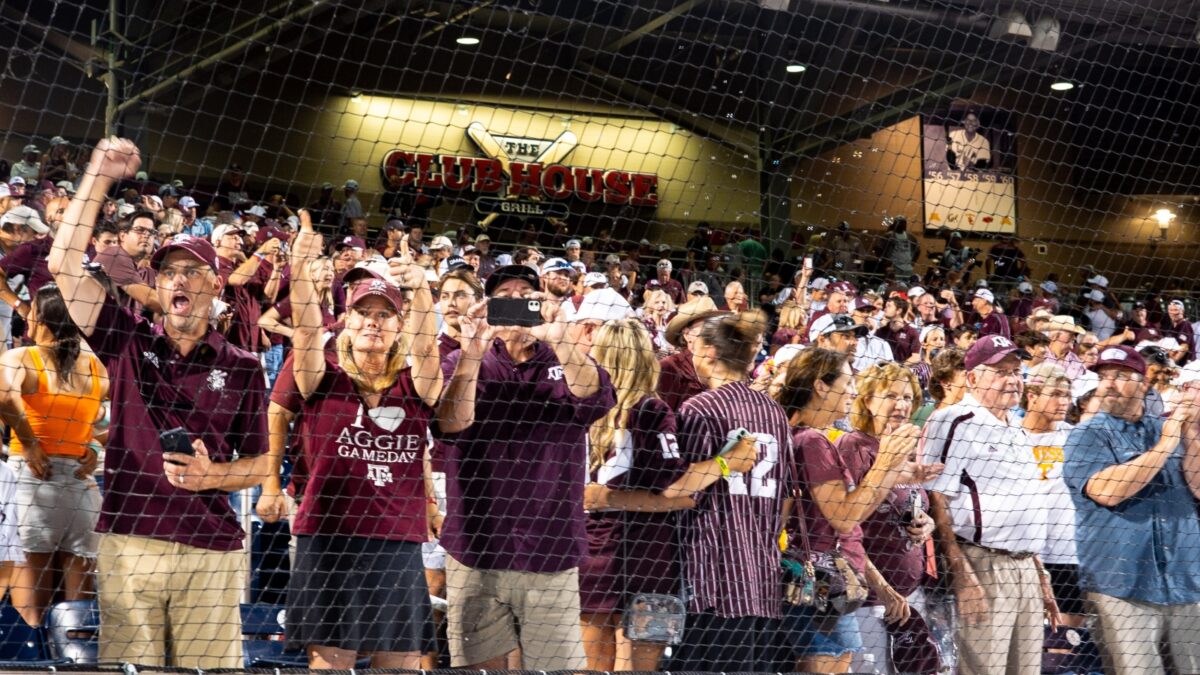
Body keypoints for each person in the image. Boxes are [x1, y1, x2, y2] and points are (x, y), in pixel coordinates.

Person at [47, 138, 270, 668]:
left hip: (210, 547)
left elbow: (262, 463)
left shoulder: (242, 365)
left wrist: (212, 476)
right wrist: (100, 175)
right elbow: (63, 264)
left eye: (192, 271)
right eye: (169, 272)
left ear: (216, 283)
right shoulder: (126, 340)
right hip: (130, 541)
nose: (178, 280)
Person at [434, 263, 616, 670]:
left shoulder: (567, 358)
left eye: (526, 297)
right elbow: (449, 424)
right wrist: (472, 353)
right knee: (478, 668)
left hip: (550, 547)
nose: (516, 303)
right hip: (476, 544)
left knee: (557, 669)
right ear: (488, 305)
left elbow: (595, 398)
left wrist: (561, 338)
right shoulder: (462, 359)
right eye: (505, 297)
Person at [285, 212, 440, 668]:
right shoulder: (323, 378)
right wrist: (299, 269)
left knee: (401, 665)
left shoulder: (415, 385)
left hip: (395, 541)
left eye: (384, 314)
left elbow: (427, 348)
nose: (373, 323)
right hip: (328, 537)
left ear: (399, 326)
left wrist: (421, 290)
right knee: (331, 664)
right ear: (345, 320)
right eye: (362, 313)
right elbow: (306, 331)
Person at [578, 318, 754, 672]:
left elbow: (585, 494)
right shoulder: (652, 410)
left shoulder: (579, 407)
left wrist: (602, 498)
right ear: (645, 358)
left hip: (590, 553)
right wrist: (727, 462)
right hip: (649, 557)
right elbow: (677, 489)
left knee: (589, 668)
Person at [777, 352, 925, 673]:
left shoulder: (813, 436)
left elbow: (856, 512)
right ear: (820, 386)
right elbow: (844, 518)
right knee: (830, 663)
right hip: (817, 580)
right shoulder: (812, 440)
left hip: (830, 583)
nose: (853, 392)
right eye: (847, 384)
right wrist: (885, 462)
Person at [924, 335, 1060, 675]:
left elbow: (1026, 506)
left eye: (1016, 372)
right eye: (1000, 372)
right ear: (972, 378)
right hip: (983, 565)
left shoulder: (1017, 428)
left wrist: (1040, 574)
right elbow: (936, 497)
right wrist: (961, 573)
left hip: (1026, 567)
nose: (1012, 380)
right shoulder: (953, 420)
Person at [666, 310, 792, 672]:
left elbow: (682, 490)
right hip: (761, 578)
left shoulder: (700, 408)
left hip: (712, 578)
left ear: (708, 351)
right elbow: (786, 495)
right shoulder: (774, 412)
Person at [1063, 346, 1200, 674]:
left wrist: (1189, 430)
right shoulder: (1086, 434)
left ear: (1144, 383)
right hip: (1122, 588)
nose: (1109, 384)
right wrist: (1166, 444)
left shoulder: (1168, 427)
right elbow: (1107, 491)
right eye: (1104, 377)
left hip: (1185, 582)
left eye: (1121, 376)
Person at [0, 285, 107, 627]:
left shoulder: (20, 358)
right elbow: (108, 421)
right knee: (77, 619)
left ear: (42, 318)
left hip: (33, 484)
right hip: (81, 490)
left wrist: (29, 442)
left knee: (31, 616)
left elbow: (4, 397)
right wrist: (92, 447)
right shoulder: (96, 366)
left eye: (32, 309)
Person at [839, 364, 941, 674]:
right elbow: (844, 526)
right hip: (869, 598)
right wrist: (882, 589)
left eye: (908, 397)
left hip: (909, 594)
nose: (901, 404)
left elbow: (908, 502)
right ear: (867, 400)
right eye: (891, 396)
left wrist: (927, 523)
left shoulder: (902, 446)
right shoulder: (854, 447)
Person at [1019, 364, 1086, 627]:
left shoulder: (1075, 438)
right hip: (1022, 553)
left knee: (1066, 638)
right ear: (1032, 395)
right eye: (1056, 394)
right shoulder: (1010, 436)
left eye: (1067, 395)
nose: (1064, 402)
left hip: (1067, 553)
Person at [658, 297, 723, 411]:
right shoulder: (670, 367)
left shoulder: (723, 366)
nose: (714, 332)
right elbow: (661, 415)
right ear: (687, 335)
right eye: (707, 327)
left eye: (716, 325)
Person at [93, 209, 162, 315]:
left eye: (152, 232)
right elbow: (149, 299)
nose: (147, 235)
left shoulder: (149, 271)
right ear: (122, 236)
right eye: (140, 230)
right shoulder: (113, 255)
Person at [911, 348, 966, 427]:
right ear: (946, 382)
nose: (972, 381)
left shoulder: (976, 415)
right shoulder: (921, 416)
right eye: (965, 375)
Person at [1041, 315, 1088, 379]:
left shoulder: (1077, 362)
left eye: (1075, 335)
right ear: (1056, 336)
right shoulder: (1041, 355)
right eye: (1071, 334)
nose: (1074, 338)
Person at [1161, 299, 1194, 365]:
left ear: (1182, 311)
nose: (1173, 313)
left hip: (1186, 364)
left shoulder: (1185, 324)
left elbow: (1184, 347)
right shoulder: (1170, 326)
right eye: (1171, 310)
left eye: (1176, 310)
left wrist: (1172, 362)